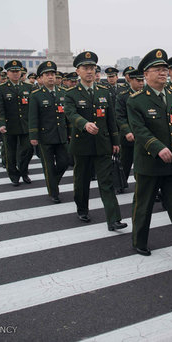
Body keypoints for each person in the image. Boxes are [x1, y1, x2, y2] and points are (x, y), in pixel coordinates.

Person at [126, 48, 172, 261]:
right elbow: (139, 130)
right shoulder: (136, 101)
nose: (163, 73)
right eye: (157, 69)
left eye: (165, 69)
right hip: (150, 163)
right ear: (146, 75)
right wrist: (157, 147)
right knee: (143, 206)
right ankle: (139, 240)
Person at [64, 51, 127, 230]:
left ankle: (113, 219)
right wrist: (84, 124)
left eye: (92, 68)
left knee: (106, 182)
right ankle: (82, 209)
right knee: (82, 181)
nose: (89, 71)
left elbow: (111, 119)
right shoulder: (71, 94)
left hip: (102, 144)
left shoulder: (104, 92)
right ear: (78, 71)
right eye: (85, 68)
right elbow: (70, 113)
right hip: (82, 144)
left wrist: (116, 142)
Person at [29, 61, 70, 204]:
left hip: (61, 135)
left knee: (64, 162)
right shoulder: (36, 95)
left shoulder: (63, 92)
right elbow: (33, 117)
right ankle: (54, 192)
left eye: (53, 74)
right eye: (47, 75)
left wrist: (69, 132)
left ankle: (53, 181)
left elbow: (67, 115)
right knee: (48, 165)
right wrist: (33, 136)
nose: (51, 77)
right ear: (41, 78)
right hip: (45, 136)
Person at [0, 60, 34, 186]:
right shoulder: (1, 89)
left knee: (28, 150)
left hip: (25, 125)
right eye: (13, 71)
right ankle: (13, 175)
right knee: (10, 152)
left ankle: (23, 171)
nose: (16, 74)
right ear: (8, 73)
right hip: (9, 125)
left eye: (18, 71)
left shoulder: (28, 87)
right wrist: (1, 123)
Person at [115, 68, 145, 182]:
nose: (141, 83)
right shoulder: (123, 96)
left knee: (143, 165)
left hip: (143, 136)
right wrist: (127, 131)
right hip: (129, 136)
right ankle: (121, 183)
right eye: (138, 81)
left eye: (142, 80)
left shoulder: (146, 94)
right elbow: (119, 116)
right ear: (131, 80)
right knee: (125, 162)